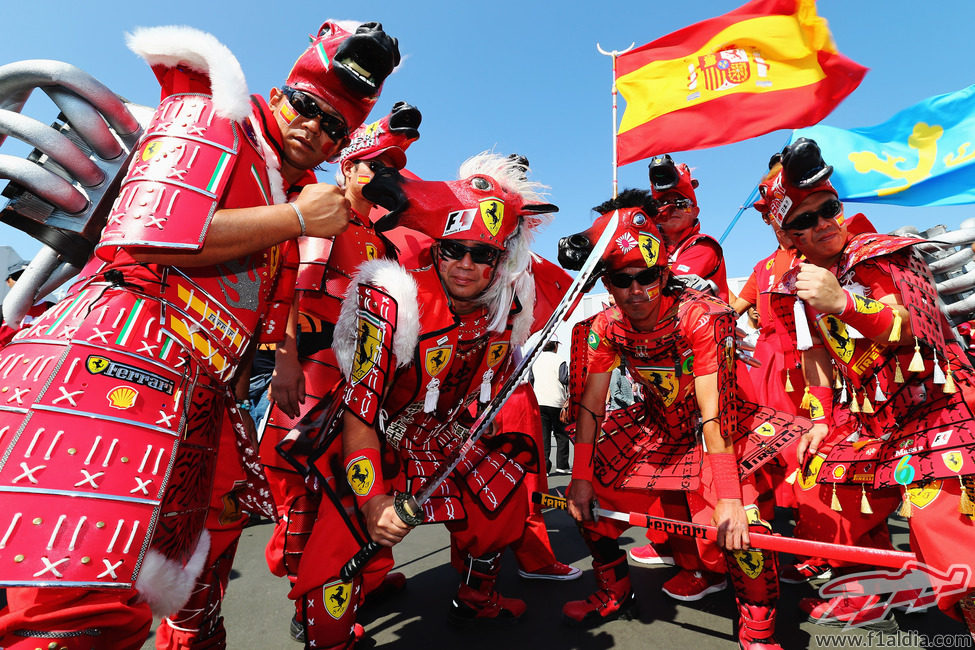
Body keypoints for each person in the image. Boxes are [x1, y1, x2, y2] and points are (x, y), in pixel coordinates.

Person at [0, 20, 399, 649]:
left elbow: (261, 308)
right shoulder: (210, 113)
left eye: (334, 128)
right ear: (279, 94)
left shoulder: (287, 190)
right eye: (306, 107)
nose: (315, 130)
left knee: (202, 564)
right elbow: (147, 233)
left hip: (203, 391)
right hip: (113, 358)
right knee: (77, 606)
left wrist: (282, 355)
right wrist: (296, 217)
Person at [285, 153, 558, 648]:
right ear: (437, 245)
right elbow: (359, 411)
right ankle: (328, 636)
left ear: (503, 260)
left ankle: (478, 599)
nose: (467, 266)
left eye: (484, 254)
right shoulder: (390, 298)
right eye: (454, 249)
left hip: (445, 434)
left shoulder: (513, 300)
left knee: (501, 502)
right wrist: (372, 501)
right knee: (340, 539)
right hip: (375, 432)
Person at [556, 191, 803, 649]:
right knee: (587, 500)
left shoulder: (701, 315)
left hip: (715, 431)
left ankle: (759, 629)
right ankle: (614, 591)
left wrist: (729, 496)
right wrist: (580, 476)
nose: (634, 291)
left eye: (646, 277)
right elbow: (590, 405)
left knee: (742, 523)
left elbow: (714, 411)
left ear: (663, 271)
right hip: (654, 428)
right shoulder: (603, 327)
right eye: (619, 280)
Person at [758, 138, 975, 633]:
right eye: (805, 220)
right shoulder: (791, 287)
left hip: (941, 408)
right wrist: (817, 419)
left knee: (940, 527)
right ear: (786, 236)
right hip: (875, 420)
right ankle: (876, 588)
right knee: (818, 482)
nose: (824, 223)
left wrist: (846, 305)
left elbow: (913, 327)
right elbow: (813, 357)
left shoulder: (884, 254)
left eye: (829, 209)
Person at [256, 102, 420, 641]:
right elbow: (291, 291)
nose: (386, 178)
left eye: (393, 169)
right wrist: (285, 360)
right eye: (375, 166)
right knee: (317, 496)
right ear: (347, 168)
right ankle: (316, 615)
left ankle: (368, 578)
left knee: (370, 486)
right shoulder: (322, 211)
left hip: (365, 383)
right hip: (316, 374)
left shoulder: (380, 234)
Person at [530, 337, 571, 473]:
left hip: (539, 401)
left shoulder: (535, 360)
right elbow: (564, 379)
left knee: (544, 435)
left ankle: (545, 468)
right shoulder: (559, 360)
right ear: (555, 346)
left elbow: (531, 380)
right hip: (557, 402)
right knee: (561, 434)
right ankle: (562, 466)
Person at [0, 261, 55, 347]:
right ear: (8, 282)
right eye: (18, 277)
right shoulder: (2, 311)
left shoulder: (53, 309)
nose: (24, 282)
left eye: (30, 278)